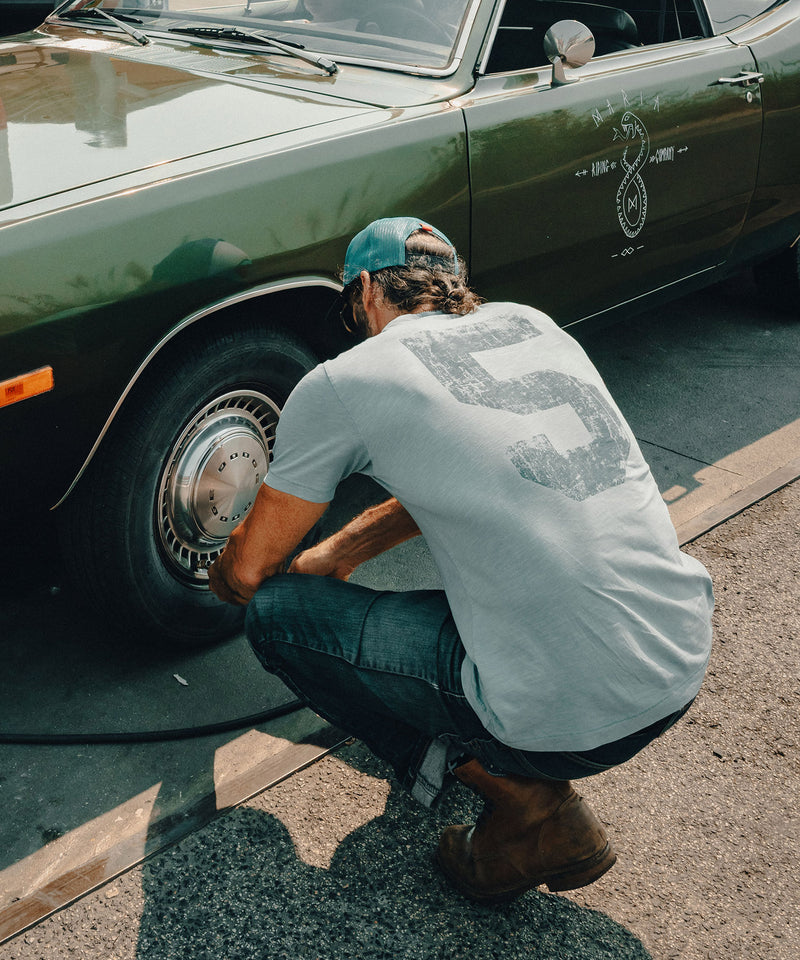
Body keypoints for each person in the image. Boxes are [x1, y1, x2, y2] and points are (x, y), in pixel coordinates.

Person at [208, 216, 714, 903]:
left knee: (277, 617)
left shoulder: (347, 379)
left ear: (364, 290)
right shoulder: (532, 324)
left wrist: (221, 567)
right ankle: (505, 762)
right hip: (678, 662)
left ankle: (528, 807)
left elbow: (248, 574)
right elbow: (481, 466)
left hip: (572, 712)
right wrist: (341, 550)